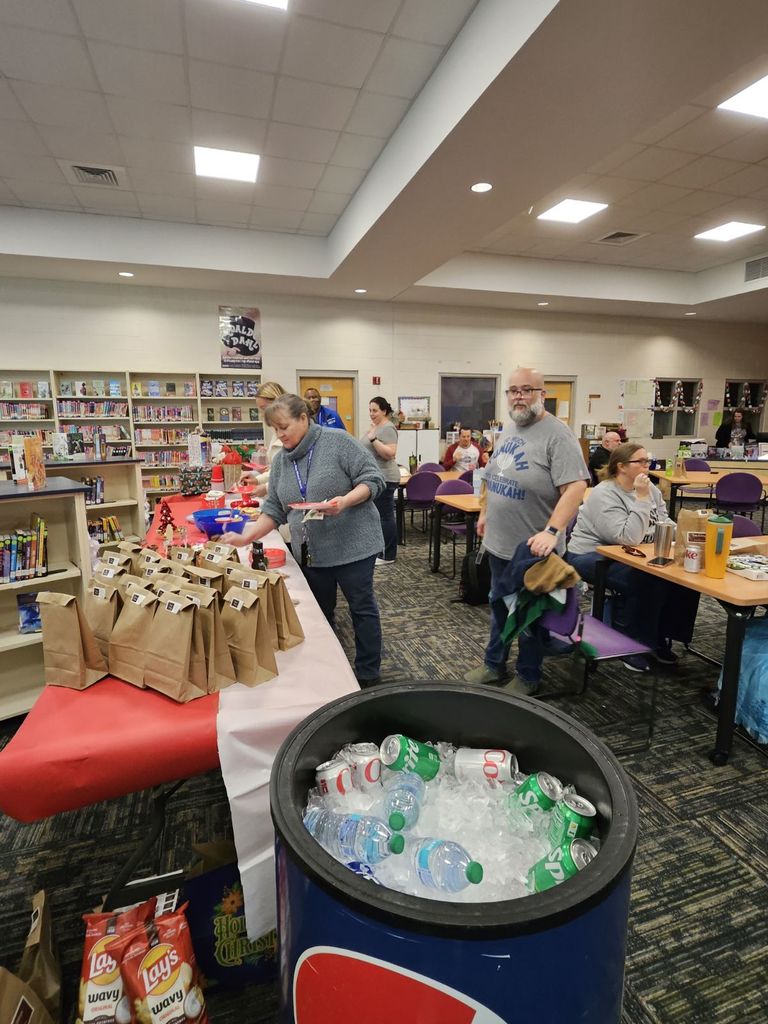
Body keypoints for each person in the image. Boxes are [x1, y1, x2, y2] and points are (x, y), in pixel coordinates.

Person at [222, 394, 386, 687]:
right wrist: (245, 536)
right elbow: (274, 507)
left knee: (361, 608)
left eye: (284, 426)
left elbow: (373, 479)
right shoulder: (283, 461)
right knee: (320, 615)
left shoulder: (338, 441)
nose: (280, 434)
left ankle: (368, 675)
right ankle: (330, 672)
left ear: (303, 418)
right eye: (275, 429)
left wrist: (345, 501)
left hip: (354, 545)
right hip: (312, 551)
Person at [465, 368, 589, 694]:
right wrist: (485, 511)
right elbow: (493, 476)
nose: (518, 396)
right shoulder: (510, 429)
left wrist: (552, 530)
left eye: (526, 390)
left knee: (529, 617)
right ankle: (494, 665)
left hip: (533, 551)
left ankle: (528, 676)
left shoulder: (557, 435)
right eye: (513, 390)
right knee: (499, 607)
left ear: (541, 394)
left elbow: (576, 488)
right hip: (499, 543)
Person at [567, 442, 699, 672]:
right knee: (647, 580)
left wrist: (681, 534)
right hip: (593, 555)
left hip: (636, 554)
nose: (647, 466)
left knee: (684, 575)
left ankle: (661, 637)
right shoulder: (604, 493)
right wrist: (641, 498)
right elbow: (626, 537)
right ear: (622, 467)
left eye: (648, 461)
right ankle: (635, 646)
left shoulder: (652, 489)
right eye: (641, 462)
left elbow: (663, 521)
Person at [360, 396, 399, 565]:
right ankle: (378, 550)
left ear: (384, 411)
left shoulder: (388, 428)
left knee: (385, 517)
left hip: (386, 478)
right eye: (370, 410)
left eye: (375, 410)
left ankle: (388, 555)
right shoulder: (376, 427)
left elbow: (390, 453)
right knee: (378, 516)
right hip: (375, 477)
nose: (371, 414)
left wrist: (373, 440)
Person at [237, 381, 287, 494]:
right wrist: (257, 480)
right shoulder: (276, 430)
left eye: (265, 408)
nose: (264, 414)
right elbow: (277, 470)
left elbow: (292, 473)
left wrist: (266, 488)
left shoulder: (292, 433)